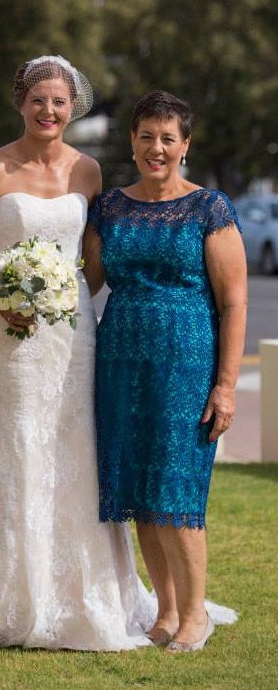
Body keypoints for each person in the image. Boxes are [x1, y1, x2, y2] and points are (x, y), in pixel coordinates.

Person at [0, 55, 159, 650]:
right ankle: (1, 597)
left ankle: (86, 597)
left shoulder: (87, 171)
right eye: (39, 100)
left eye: (59, 102)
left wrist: (64, 298)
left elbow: (92, 264)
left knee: (75, 450)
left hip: (74, 336)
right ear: (21, 103)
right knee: (12, 448)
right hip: (10, 342)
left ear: (72, 106)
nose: (49, 111)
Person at [84, 90, 247, 652]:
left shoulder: (210, 209)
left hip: (187, 363)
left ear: (185, 145)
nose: (157, 148)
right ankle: (167, 609)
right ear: (132, 140)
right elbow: (87, 283)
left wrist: (225, 386)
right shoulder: (107, 208)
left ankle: (196, 613)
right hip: (121, 361)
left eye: (168, 138)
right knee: (139, 490)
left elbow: (233, 303)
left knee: (178, 493)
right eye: (146, 136)